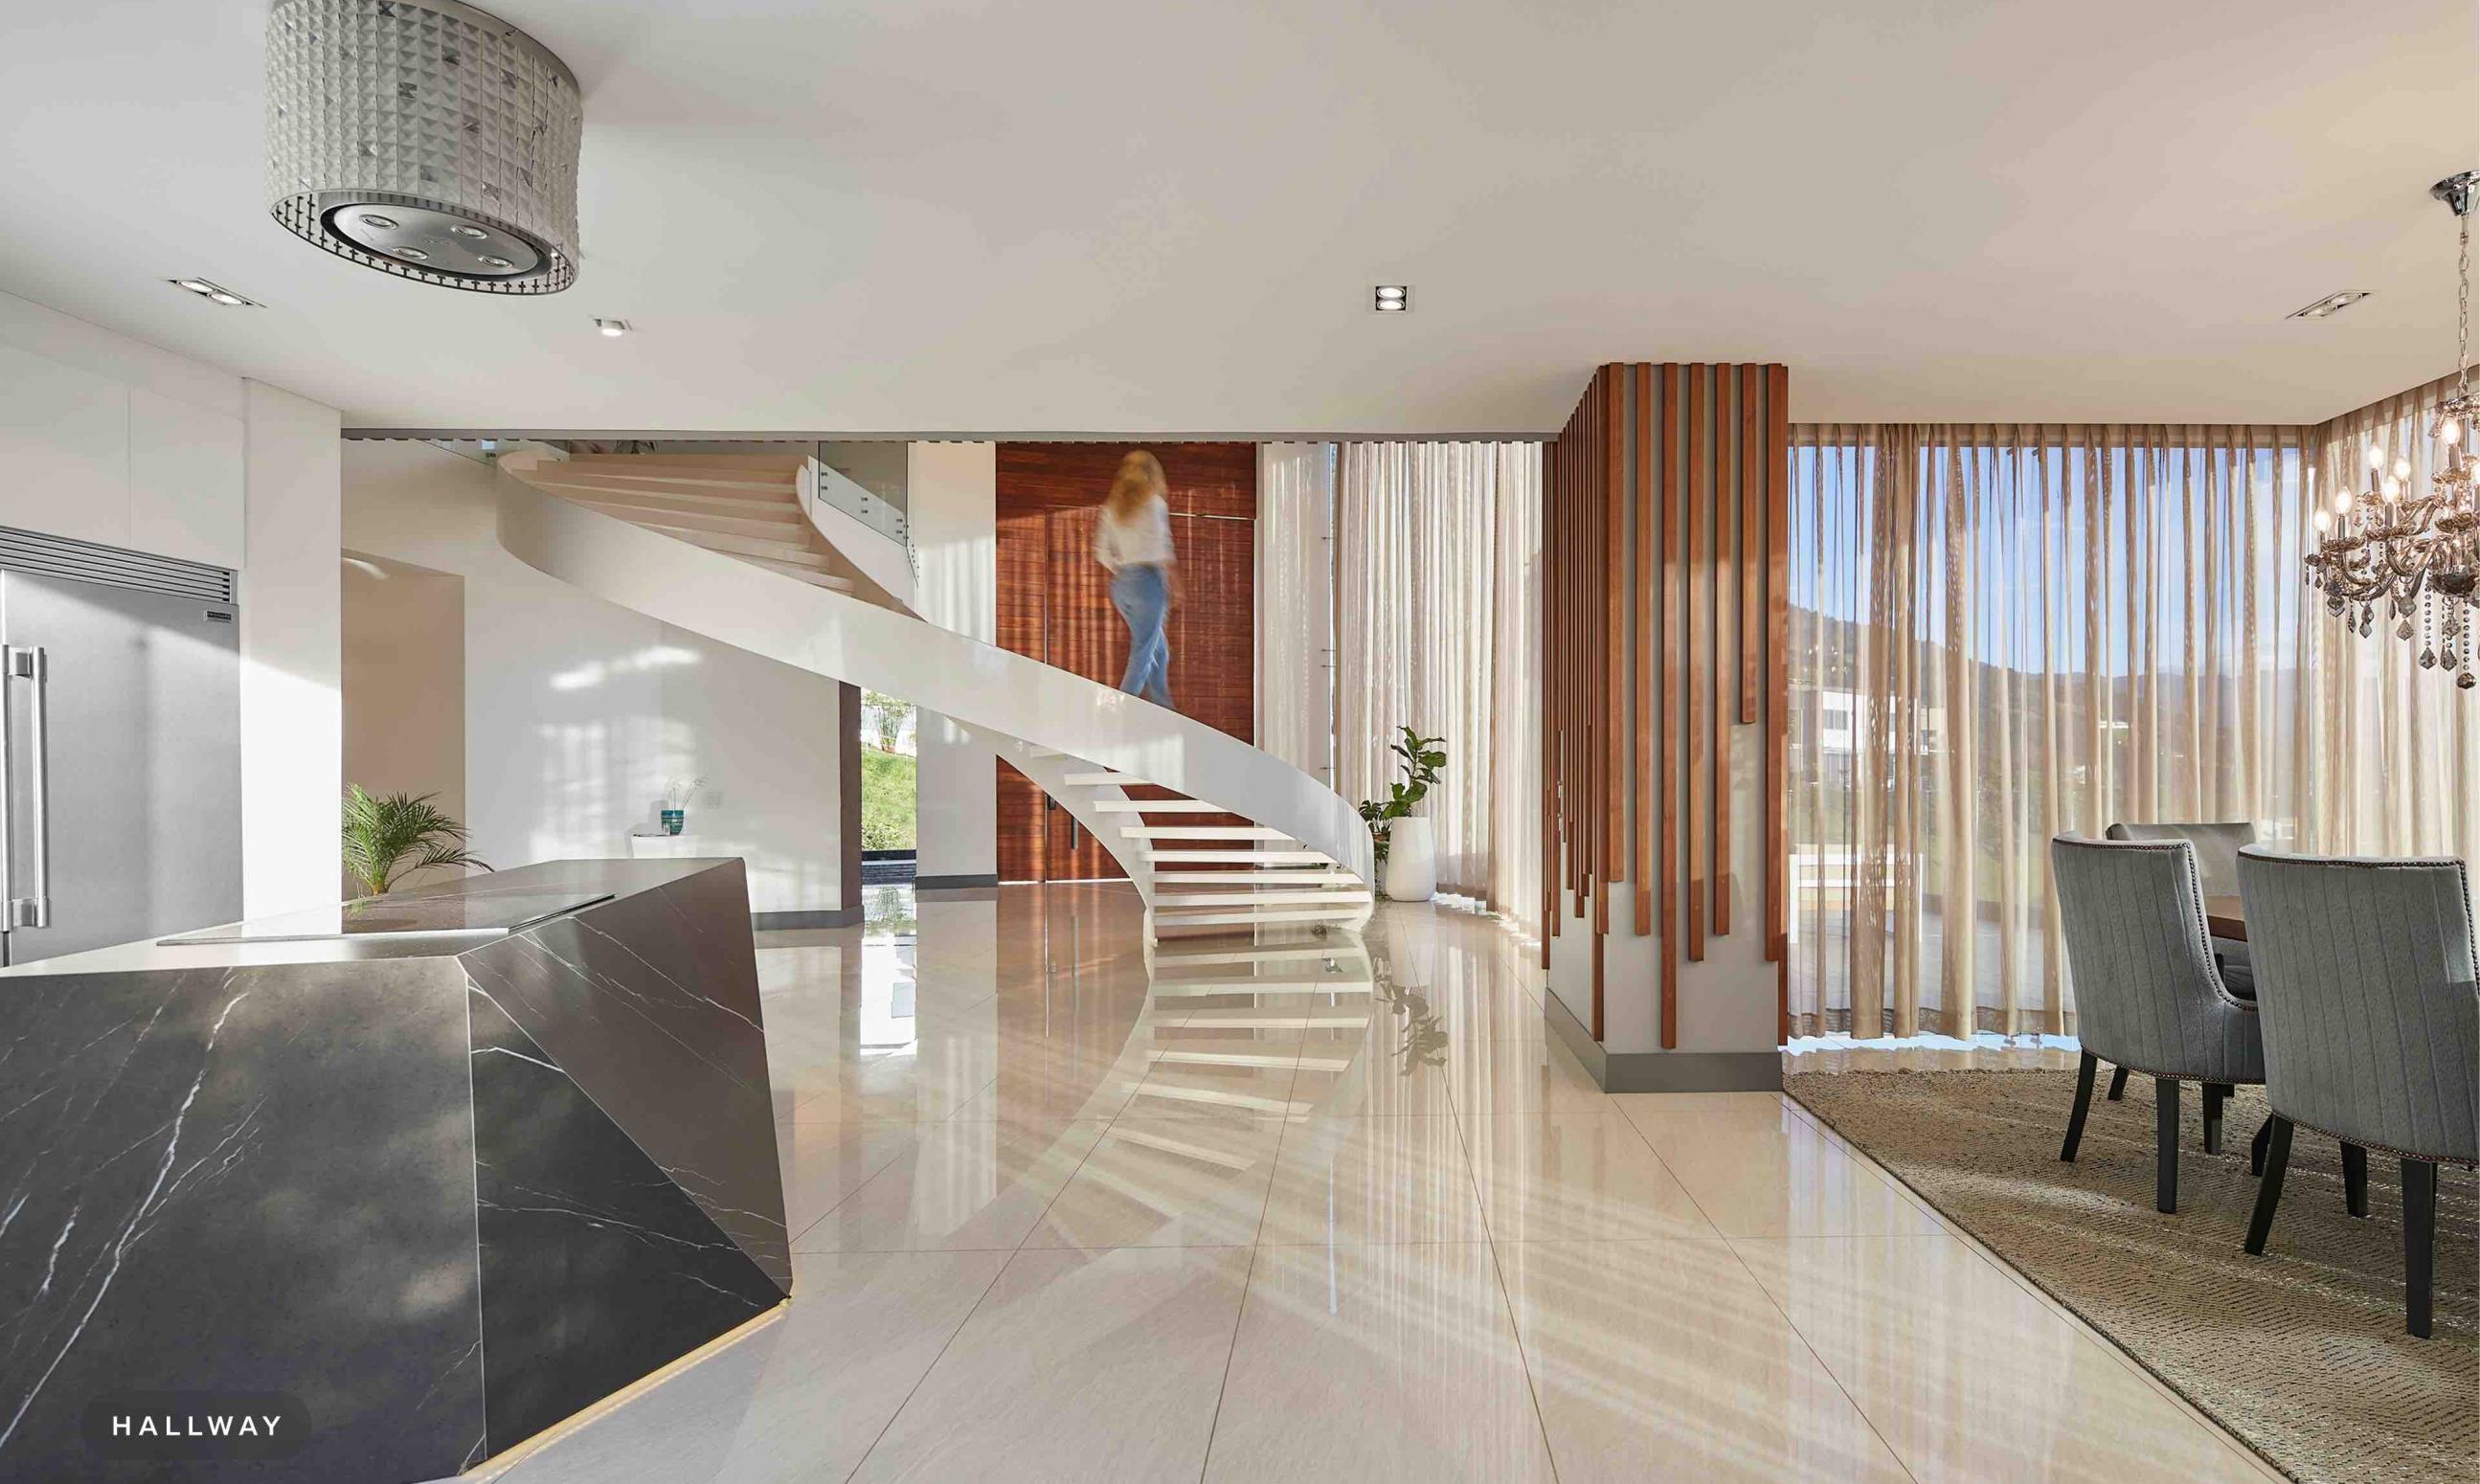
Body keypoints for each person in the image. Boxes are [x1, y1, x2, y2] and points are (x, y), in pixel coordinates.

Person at [1094, 449, 1180, 708]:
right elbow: (1163, 548)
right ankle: (1124, 706)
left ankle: (1163, 707)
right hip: (1148, 581)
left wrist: (1124, 571)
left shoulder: (1111, 508)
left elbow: (1101, 552)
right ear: (1153, 475)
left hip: (1122, 586)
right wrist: (1176, 583)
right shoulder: (1154, 504)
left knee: (1158, 649)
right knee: (1143, 650)